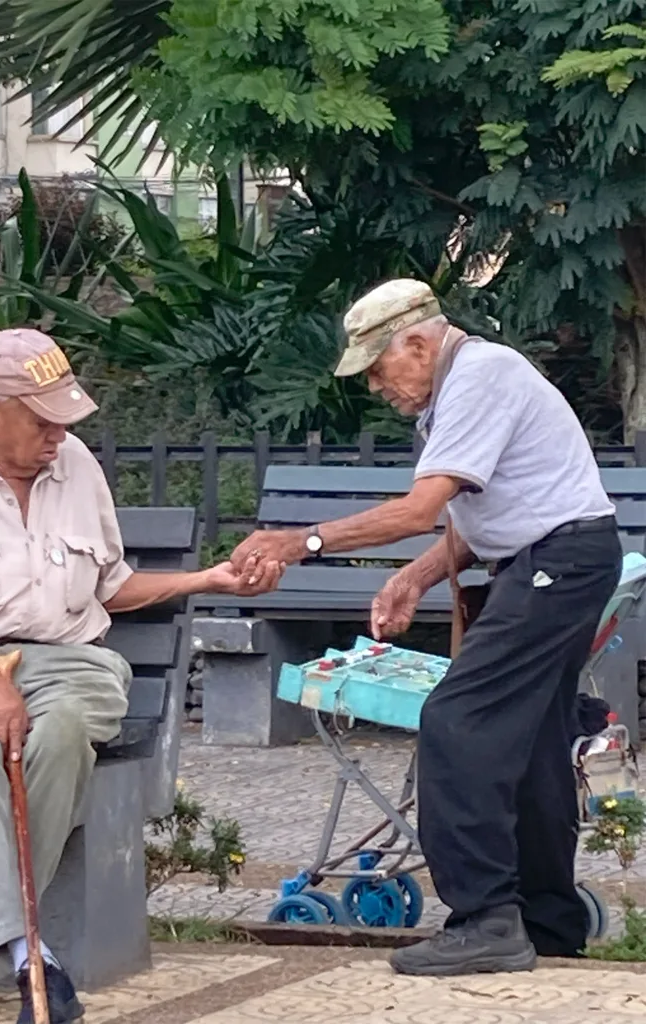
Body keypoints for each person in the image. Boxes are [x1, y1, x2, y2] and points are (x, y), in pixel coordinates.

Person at [0, 329, 283, 1024]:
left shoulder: (78, 469)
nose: (59, 435)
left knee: (61, 732)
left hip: (72, 660)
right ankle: (31, 958)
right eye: (44, 420)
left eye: (65, 419)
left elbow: (112, 586)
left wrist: (208, 577)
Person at [231, 279, 622, 976]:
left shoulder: (481, 375)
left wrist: (303, 542)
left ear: (417, 342)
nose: (379, 387)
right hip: (556, 558)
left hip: (556, 561)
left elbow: (421, 509)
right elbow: (489, 514)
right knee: (530, 741)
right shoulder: (462, 386)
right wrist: (413, 577)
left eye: (380, 369)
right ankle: (547, 921)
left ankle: (485, 919)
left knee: (457, 722)